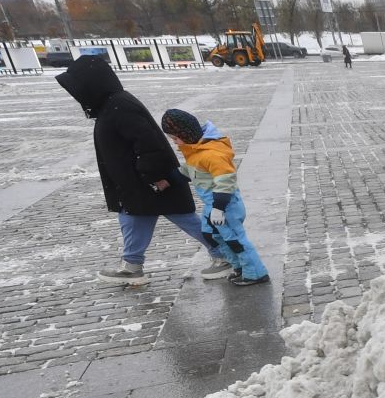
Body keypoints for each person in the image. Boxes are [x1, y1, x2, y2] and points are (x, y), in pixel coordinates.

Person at [55, 54, 213, 285]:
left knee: (186, 221)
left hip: (151, 183)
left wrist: (154, 177)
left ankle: (225, 253)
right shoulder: (111, 106)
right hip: (137, 185)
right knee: (133, 221)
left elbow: (150, 145)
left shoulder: (120, 107)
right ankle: (132, 265)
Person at [159, 109, 270, 286]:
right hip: (212, 205)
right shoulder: (194, 153)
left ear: (186, 134)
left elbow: (226, 182)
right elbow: (187, 172)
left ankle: (255, 272)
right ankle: (239, 267)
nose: (175, 143)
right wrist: (167, 181)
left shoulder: (212, 154)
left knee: (235, 240)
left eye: (175, 138)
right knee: (213, 234)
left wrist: (219, 208)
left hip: (225, 205)